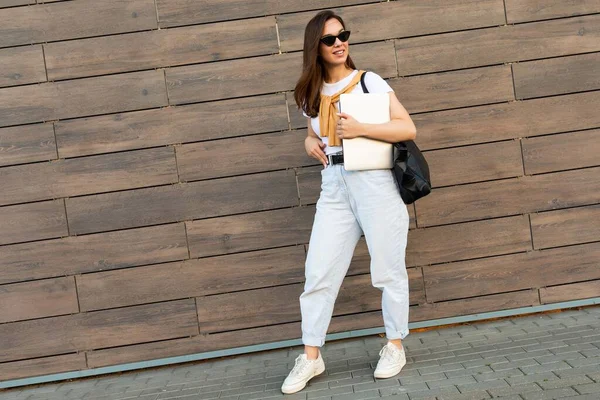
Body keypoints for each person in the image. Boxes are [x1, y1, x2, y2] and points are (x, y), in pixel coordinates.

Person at [280, 9, 418, 395]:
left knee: (388, 270)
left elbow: (407, 127)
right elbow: (315, 135)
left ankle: (394, 345)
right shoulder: (310, 94)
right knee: (319, 272)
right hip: (335, 186)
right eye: (329, 39)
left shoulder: (368, 81)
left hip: (374, 181)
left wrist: (361, 129)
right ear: (315, 47)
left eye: (343, 35)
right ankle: (311, 356)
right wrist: (309, 142)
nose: (339, 43)